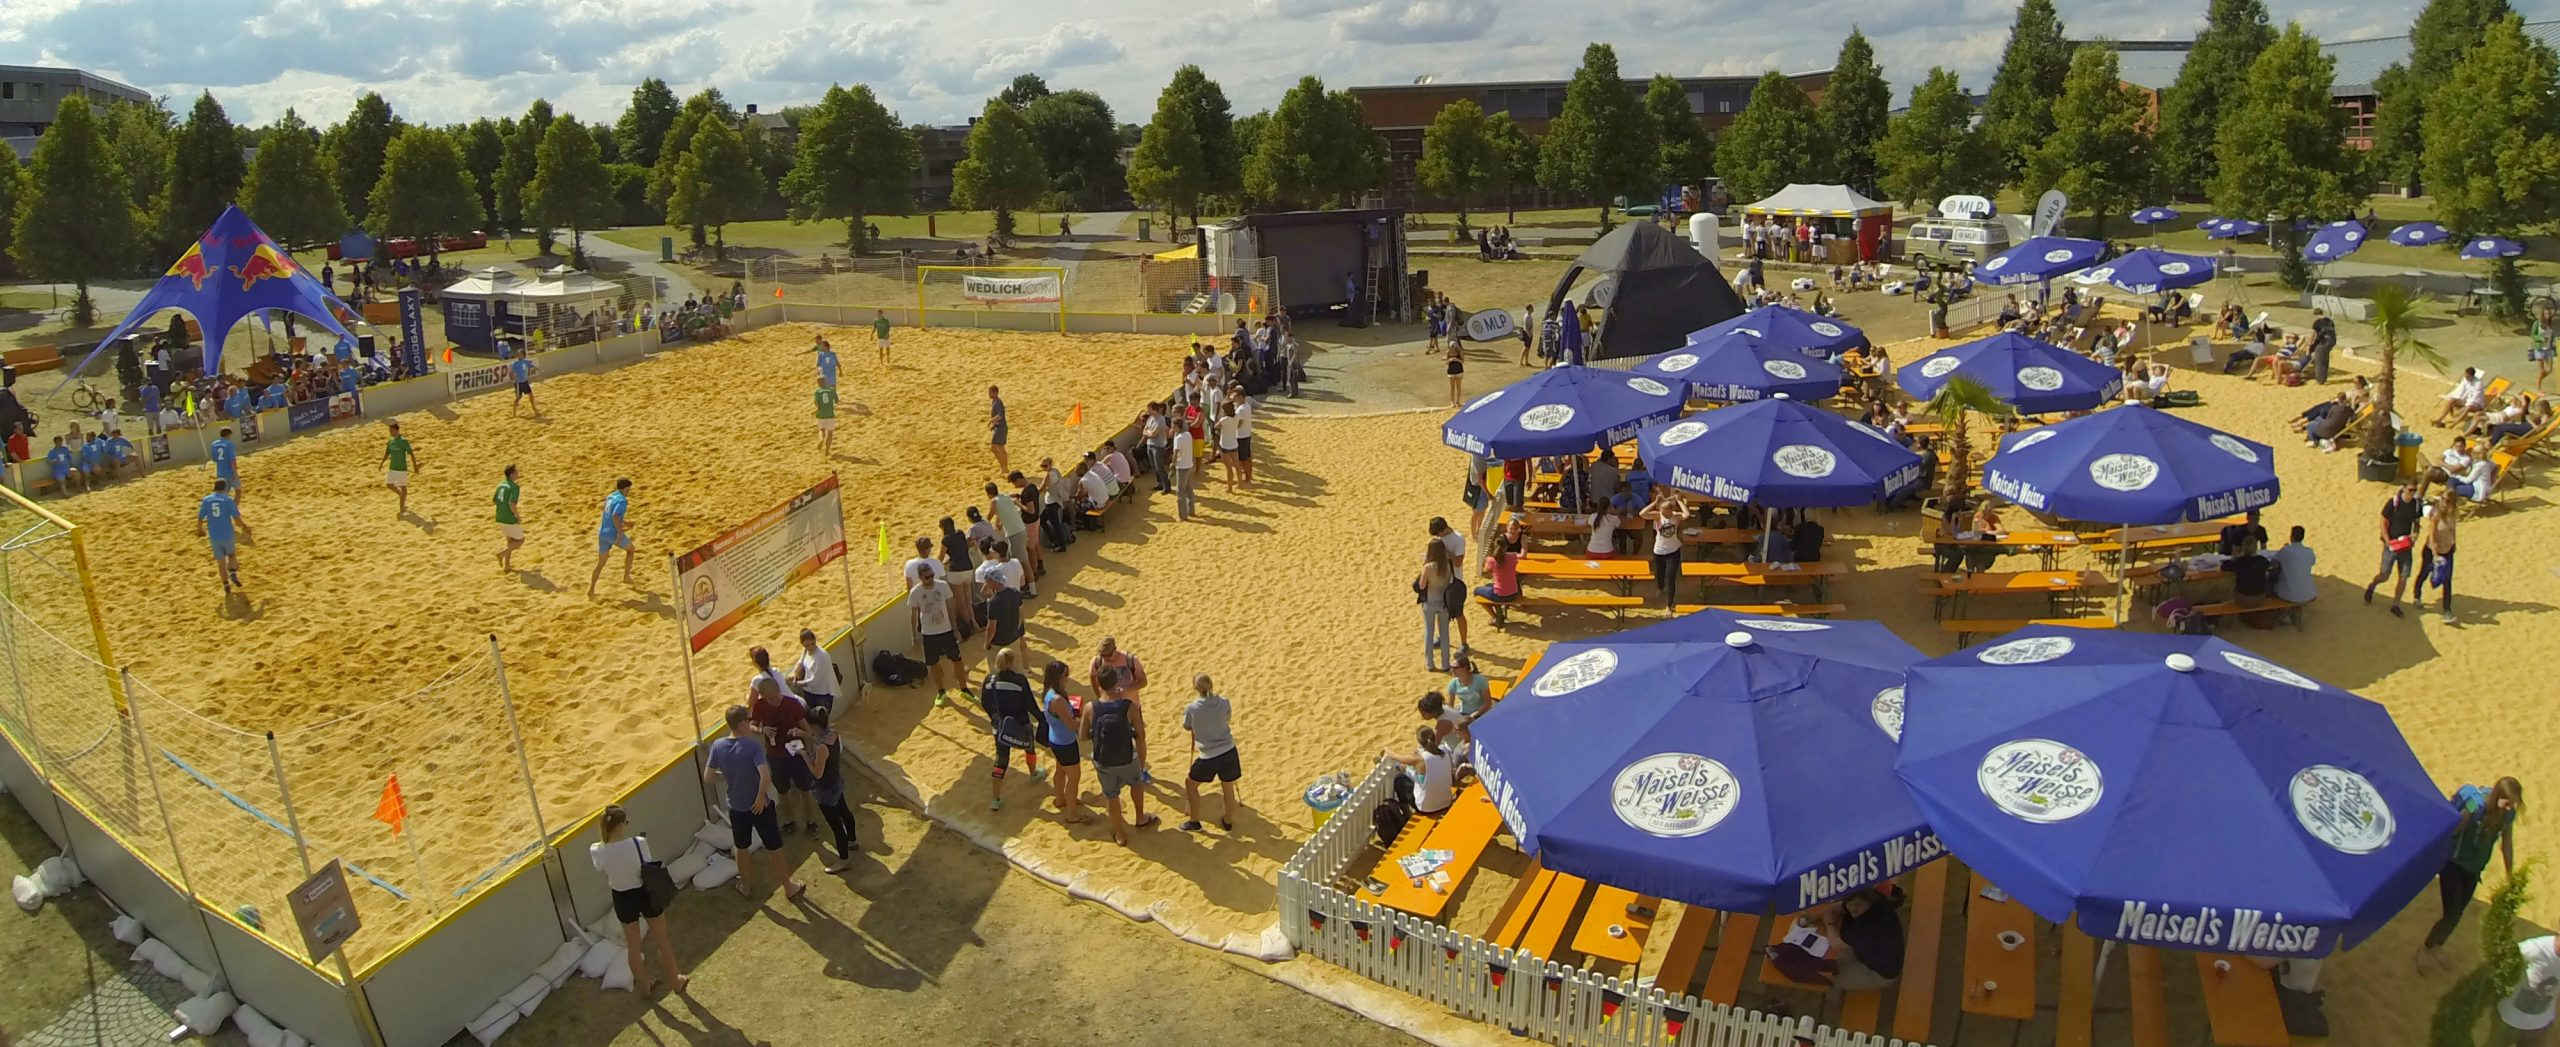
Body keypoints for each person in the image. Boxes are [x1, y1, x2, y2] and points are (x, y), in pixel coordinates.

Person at [2417, 778, 2523, 971]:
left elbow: (2506, 843)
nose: (2510, 808)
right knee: (2452, 913)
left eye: (2514, 803)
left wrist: (2510, 875)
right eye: (2508, 803)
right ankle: (2426, 949)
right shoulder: (2476, 806)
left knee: (2458, 913)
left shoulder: (2508, 815)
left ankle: (2437, 946)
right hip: (2454, 865)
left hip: (2474, 869)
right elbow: (2454, 827)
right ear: (2497, 796)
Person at [703, 705, 805, 901]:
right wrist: (759, 798)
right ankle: (788, 886)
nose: (750, 725)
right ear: (741, 724)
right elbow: (765, 776)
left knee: (741, 847)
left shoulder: (718, 745)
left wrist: (728, 776)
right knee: (774, 847)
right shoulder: (752, 746)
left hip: (736, 806)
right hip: (760, 806)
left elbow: (709, 777)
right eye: (748, 721)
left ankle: (746, 886)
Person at [589, 804, 687, 995]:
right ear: (621, 825)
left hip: (622, 897)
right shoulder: (638, 843)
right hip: (645, 892)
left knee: (633, 946)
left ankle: (645, 986)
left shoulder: (597, 850)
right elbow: (646, 863)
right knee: (662, 939)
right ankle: (675, 980)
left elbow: (600, 866)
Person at [1086, 665, 1154, 846]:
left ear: (1098, 684)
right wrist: (1141, 761)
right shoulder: (1128, 706)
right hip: (1126, 757)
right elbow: (1140, 735)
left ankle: (1120, 835)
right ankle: (1140, 817)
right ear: (1116, 683)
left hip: (1103, 760)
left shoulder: (1090, 708)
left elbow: (1082, 736)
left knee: (1111, 796)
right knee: (1136, 783)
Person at [745, 669, 816, 836]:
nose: (775, 701)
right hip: (776, 755)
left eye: (776, 697)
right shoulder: (760, 707)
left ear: (779, 691)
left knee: (805, 790)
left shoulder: (792, 704)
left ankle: (811, 821)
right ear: (763, 697)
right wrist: (763, 730)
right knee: (782, 792)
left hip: (797, 754)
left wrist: (803, 739)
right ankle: (789, 821)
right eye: (770, 699)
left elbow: (808, 731)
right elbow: (751, 725)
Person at [979, 649, 1043, 811]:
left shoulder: (989, 680)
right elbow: (1030, 705)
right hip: (1020, 722)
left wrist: (994, 718)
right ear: (1011, 662)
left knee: (1001, 759)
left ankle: (995, 798)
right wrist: (1042, 719)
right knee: (1029, 748)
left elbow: (984, 702)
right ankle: (1034, 773)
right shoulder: (1019, 681)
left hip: (1000, 726)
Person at [798, 704, 859, 871]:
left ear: (814, 726)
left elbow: (817, 773)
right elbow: (819, 740)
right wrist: (805, 736)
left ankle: (844, 859)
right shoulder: (833, 734)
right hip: (836, 780)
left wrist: (805, 756)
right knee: (845, 812)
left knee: (836, 825)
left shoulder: (821, 747)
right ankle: (853, 840)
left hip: (824, 788)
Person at [1180, 674, 1240, 833]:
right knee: (1228, 786)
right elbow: (1227, 718)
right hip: (1229, 750)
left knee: (1190, 784)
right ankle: (1228, 819)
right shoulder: (1224, 702)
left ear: (1196, 689)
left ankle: (1194, 821)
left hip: (1209, 755)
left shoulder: (1192, 708)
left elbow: (1187, 726)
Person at [1038, 660, 1091, 823]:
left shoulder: (1049, 693)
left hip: (1055, 738)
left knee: (1060, 771)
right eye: (1066, 675)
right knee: (1074, 778)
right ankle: (1072, 814)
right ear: (1058, 677)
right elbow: (1071, 724)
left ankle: (1060, 799)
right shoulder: (1058, 700)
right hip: (1065, 743)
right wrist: (1086, 720)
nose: (1068, 678)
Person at [2364, 480, 2424, 617]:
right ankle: (2372, 586)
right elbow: (2383, 521)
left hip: (2405, 546)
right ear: (2403, 488)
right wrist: (2387, 541)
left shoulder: (2415, 505)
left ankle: (2395, 605)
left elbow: (2416, 523)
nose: (2412, 493)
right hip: (2391, 544)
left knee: (2403, 576)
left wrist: (2415, 536)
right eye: (2410, 490)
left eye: (2415, 490)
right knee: (2384, 575)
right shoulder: (2394, 502)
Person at [910, 560, 966, 705]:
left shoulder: (942, 586)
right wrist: (914, 636)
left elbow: (950, 607)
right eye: (927, 577)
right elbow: (914, 614)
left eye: (932, 575)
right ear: (920, 578)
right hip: (928, 634)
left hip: (946, 631)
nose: (930, 579)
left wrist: (955, 628)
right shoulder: (916, 592)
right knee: (934, 663)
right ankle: (941, 691)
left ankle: (964, 688)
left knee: (957, 660)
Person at [1385, 726, 1457, 817]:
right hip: (1446, 801)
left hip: (1426, 808)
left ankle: (1405, 811)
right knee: (1415, 775)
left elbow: (1397, 757)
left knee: (1400, 780)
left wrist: (1388, 751)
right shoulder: (1445, 750)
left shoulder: (1420, 759)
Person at [1640, 487, 1690, 611]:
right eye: (1661, 510)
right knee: (1660, 574)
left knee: (1671, 577)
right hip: (1659, 551)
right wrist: (1655, 503)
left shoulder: (1676, 516)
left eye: (1664, 511)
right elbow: (1642, 514)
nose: (1662, 512)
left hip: (1673, 551)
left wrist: (1679, 501)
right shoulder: (1658, 516)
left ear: (1670, 510)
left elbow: (1687, 514)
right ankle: (1660, 588)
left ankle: (1669, 605)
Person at [2414, 490, 2459, 624]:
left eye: (2447, 501)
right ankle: (2417, 596)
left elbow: (2453, 529)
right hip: (2432, 551)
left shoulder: (2453, 514)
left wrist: (2454, 543)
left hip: (2448, 550)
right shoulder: (2435, 514)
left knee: (2447, 580)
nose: (2444, 503)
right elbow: (2432, 535)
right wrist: (2435, 554)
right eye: (2443, 499)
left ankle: (2447, 610)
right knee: (2424, 573)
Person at [197, 478, 249, 590]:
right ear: (225, 488)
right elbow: (237, 520)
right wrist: (245, 527)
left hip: (214, 536)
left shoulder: (206, 500)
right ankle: (233, 572)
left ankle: (226, 585)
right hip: (227, 534)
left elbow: (200, 517)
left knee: (221, 563)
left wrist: (199, 529)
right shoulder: (228, 500)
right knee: (232, 555)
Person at [588, 478, 635, 597]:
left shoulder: (611, 496)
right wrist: (620, 532)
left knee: (600, 564)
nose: (629, 492)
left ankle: (591, 589)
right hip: (613, 534)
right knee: (631, 550)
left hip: (602, 533)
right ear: (624, 489)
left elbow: (611, 515)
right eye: (628, 489)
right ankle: (626, 576)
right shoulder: (622, 501)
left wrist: (625, 523)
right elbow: (615, 516)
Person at [1416, 539, 1459, 671]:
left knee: (1429, 632)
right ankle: (1445, 664)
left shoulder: (1428, 567)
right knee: (1445, 634)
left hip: (1430, 602)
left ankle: (1430, 663)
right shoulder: (1448, 565)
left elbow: (1421, 585)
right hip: (1444, 603)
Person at [789, 627, 838, 715]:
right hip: (809, 692)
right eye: (807, 645)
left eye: (813, 643)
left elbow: (815, 680)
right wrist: (795, 674)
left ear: (815, 640)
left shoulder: (822, 656)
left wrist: (798, 683)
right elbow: (800, 662)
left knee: (822, 718)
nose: (811, 647)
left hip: (823, 694)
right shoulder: (805, 650)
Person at [1475, 540, 1522, 625]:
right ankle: (1499, 611)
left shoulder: (1491, 560)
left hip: (1499, 594)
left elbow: (1485, 572)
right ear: (1506, 547)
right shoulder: (1512, 557)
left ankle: (1495, 617)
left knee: (1477, 591)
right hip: (1514, 593)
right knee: (1489, 586)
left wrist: (1486, 561)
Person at [2270, 525, 2317, 605]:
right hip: (2308, 593)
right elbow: (2312, 563)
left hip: (2288, 595)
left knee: (2272, 582)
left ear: (2291, 536)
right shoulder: (2309, 551)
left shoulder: (2286, 550)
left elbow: (2273, 562)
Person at [493, 464, 526, 571]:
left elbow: (495, 500)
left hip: (499, 516)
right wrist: (517, 516)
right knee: (520, 541)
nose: (518, 474)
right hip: (509, 517)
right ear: (511, 475)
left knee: (510, 542)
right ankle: (501, 554)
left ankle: (507, 566)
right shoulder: (514, 487)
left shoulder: (500, 485)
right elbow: (512, 504)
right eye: (516, 472)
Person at [380, 421, 418, 516]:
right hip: (392, 467)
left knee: (403, 487)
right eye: (389, 431)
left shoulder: (403, 441)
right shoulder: (390, 441)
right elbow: (387, 453)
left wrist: (415, 466)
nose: (390, 432)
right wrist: (381, 463)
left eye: (391, 430)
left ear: (396, 430)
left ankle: (402, 509)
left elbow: (411, 454)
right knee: (389, 485)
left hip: (401, 468)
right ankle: (401, 495)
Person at [208, 426, 242, 504]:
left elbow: (214, 459)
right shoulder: (229, 444)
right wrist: (235, 473)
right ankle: (233, 508)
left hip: (220, 473)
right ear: (229, 435)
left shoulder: (214, 444)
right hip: (230, 472)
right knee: (238, 490)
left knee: (223, 494)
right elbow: (232, 460)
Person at [509, 350, 538, 417]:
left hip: (525, 382)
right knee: (519, 397)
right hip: (518, 383)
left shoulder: (525, 361)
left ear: (523, 355)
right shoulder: (515, 363)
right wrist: (513, 379)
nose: (519, 355)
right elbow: (511, 372)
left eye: (520, 354)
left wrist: (536, 368)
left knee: (530, 395)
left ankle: (534, 408)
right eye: (518, 354)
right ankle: (514, 412)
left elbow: (531, 365)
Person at [987, 385, 1009, 475]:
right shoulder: (994, 401)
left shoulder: (998, 403)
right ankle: (1004, 468)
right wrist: (993, 425)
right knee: (1001, 448)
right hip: (999, 427)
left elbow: (1000, 415)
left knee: (994, 447)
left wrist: (991, 420)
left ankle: (1004, 467)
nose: (989, 394)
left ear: (995, 393)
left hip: (1001, 428)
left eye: (990, 392)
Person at [814, 379, 839, 457]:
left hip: (821, 414)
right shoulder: (831, 390)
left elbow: (816, 403)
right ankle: (827, 451)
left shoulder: (817, 392)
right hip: (830, 414)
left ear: (818, 383)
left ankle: (821, 439)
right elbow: (837, 401)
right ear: (825, 382)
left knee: (821, 430)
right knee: (830, 433)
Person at [1444, 337, 1465, 408]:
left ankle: (1458, 401)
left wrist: (1456, 359)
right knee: (1452, 387)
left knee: (1458, 387)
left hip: (1459, 371)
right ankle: (1452, 402)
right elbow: (1446, 362)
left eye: (1454, 346)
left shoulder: (1460, 352)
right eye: (1451, 346)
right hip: (1451, 371)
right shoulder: (1448, 352)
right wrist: (1449, 360)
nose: (1453, 347)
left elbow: (1462, 361)